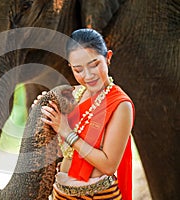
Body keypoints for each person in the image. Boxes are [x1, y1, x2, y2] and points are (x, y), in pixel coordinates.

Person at [37, 28, 135, 199]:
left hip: (98, 195)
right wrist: (43, 111)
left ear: (108, 58)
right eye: (78, 69)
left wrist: (65, 131)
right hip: (61, 191)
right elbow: (62, 151)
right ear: (70, 67)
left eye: (94, 65)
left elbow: (108, 165)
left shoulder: (120, 105)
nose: (88, 75)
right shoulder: (73, 94)